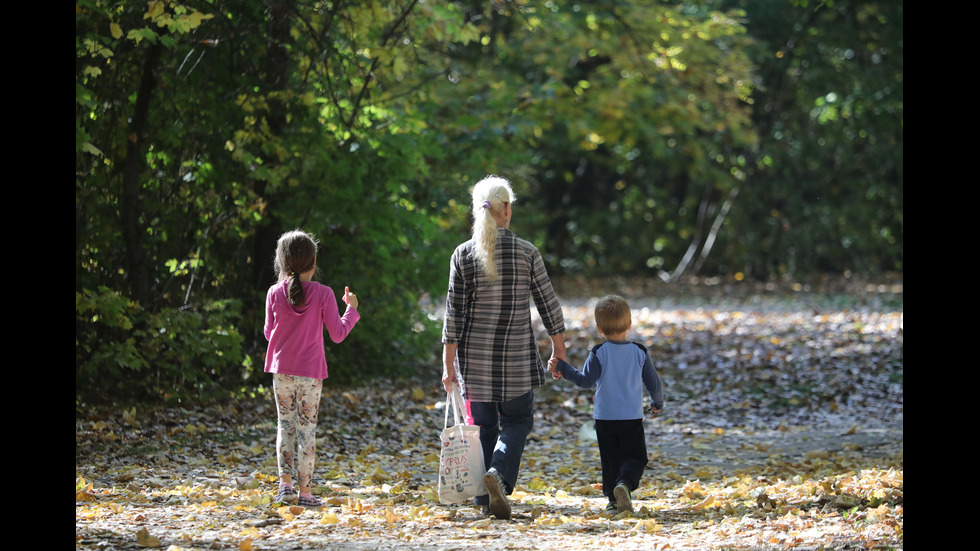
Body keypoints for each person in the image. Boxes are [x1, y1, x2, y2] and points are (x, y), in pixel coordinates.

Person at [441, 176, 567, 519]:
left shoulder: (462, 255)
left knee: (482, 425)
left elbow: (453, 314)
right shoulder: (527, 252)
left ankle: (484, 499)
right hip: (515, 359)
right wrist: (560, 351)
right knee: (517, 420)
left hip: (475, 360)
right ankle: (498, 473)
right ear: (507, 209)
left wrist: (447, 364)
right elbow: (548, 305)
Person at [264, 229, 360, 508]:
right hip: (311, 374)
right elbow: (338, 334)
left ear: (282, 263)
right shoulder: (324, 294)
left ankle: (285, 487)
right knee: (307, 430)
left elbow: (269, 334)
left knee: (285, 426)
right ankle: (305, 493)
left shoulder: (273, 293)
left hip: (281, 371)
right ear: (314, 262)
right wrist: (351, 309)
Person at [548, 295, 663, 514]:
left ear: (600, 329)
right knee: (636, 456)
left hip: (604, 418)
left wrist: (563, 367)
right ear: (629, 325)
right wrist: (658, 402)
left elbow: (585, 380)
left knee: (610, 459)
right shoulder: (639, 352)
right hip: (631, 416)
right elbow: (653, 383)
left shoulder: (598, 352)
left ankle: (612, 500)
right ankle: (625, 484)